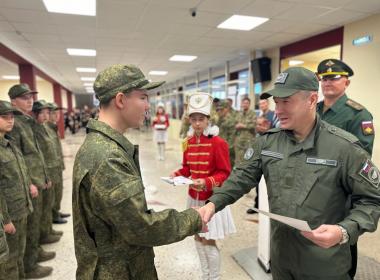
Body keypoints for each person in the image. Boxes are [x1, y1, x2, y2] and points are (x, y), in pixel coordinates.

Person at [198, 67, 380, 280]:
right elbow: (241, 178)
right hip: (282, 259)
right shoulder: (267, 142)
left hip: (325, 264)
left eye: (286, 101)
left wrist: (344, 231)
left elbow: (372, 200)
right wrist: (212, 204)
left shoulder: (344, 148)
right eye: (277, 102)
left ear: (312, 100)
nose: (278, 110)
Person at [72, 64, 205, 280]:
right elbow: (141, 227)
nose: (147, 106)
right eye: (143, 97)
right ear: (121, 100)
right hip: (118, 272)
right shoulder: (107, 156)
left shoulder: (104, 146)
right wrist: (194, 218)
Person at [317, 58, 375, 279]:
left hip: (341, 190)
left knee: (342, 237)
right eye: (324, 78)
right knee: (317, 235)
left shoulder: (358, 115)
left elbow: (362, 158)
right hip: (313, 186)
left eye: (334, 77)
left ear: (347, 83)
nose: (328, 82)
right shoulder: (315, 109)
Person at [170, 92, 236, 280]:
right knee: (197, 238)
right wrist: (175, 175)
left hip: (210, 199)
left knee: (208, 240)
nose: (197, 123)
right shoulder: (187, 142)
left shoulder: (218, 143)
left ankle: (213, 278)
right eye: (194, 119)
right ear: (189, 120)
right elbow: (186, 168)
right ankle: (205, 275)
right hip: (193, 198)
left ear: (208, 120)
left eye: (201, 119)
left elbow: (225, 173)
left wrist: (206, 181)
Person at [8, 84, 53, 278]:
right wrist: (29, 183)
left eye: (30, 97)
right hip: (29, 183)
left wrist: (43, 176)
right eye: (24, 97)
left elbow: (35, 154)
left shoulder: (27, 121)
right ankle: (29, 265)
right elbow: (19, 157)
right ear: (13, 101)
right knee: (30, 226)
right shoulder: (15, 124)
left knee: (35, 224)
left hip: (37, 177)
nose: (29, 100)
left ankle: (34, 254)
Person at [0, 100, 33, 279]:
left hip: (20, 208)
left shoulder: (10, 143)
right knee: (10, 261)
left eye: (12, 116)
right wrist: (5, 220)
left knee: (19, 254)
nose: (10, 120)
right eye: (4, 117)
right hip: (9, 215)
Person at [46, 102, 70, 224]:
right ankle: (54, 215)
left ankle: (57, 211)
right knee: (53, 193)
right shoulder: (45, 129)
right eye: (53, 113)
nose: (57, 115)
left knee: (59, 191)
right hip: (50, 168)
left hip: (57, 166)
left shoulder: (53, 128)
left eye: (58, 113)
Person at [234, 97, 256, 165]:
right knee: (238, 159)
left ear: (249, 104)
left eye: (247, 103)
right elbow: (234, 124)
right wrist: (236, 126)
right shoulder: (238, 113)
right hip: (239, 139)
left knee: (248, 158)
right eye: (244, 103)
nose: (245, 104)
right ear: (242, 104)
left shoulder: (253, 113)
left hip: (249, 140)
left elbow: (254, 125)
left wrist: (243, 126)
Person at [217, 100, 236, 166]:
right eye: (218, 110)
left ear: (226, 109)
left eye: (221, 109)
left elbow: (232, 138)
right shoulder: (220, 119)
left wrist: (226, 150)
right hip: (221, 149)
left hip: (228, 151)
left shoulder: (231, 120)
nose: (219, 111)